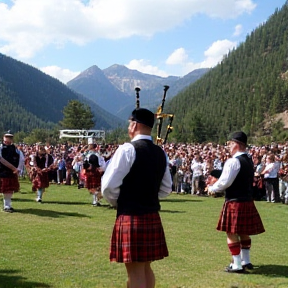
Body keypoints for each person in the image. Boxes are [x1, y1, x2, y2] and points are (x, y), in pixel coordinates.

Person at [102, 108, 172, 288]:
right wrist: (147, 195)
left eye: (129, 123)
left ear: (134, 125)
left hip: (130, 215)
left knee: (134, 272)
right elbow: (166, 188)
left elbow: (108, 186)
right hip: (151, 214)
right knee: (145, 268)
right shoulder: (160, 153)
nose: (128, 127)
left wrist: (119, 201)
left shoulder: (127, 150)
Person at [208, 131, 265, 273]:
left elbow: (225, 182)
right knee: (244, 232)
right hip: (247, 200)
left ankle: (237, 265)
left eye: (230, 143)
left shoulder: (233, 161)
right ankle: (246, 261)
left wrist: (212, 188)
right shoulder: (248, 160)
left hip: (235, 201)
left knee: (231, 233)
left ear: (237, 144)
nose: (228, 146)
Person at [0, 131, 24, 212]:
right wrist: (14, 168)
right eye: (7, 137)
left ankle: (7, 206)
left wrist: (18, 169)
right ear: (4, 138)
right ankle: (7, 205)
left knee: (8, 190)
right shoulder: (1, 147)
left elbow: (21, 160)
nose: (8, 139)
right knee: (5, 189)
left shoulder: (16, 150)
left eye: (10, 137)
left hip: (11, 173)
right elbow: (1, 160)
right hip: (1, 171)